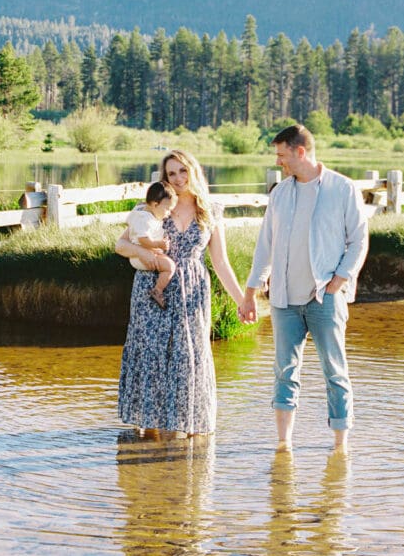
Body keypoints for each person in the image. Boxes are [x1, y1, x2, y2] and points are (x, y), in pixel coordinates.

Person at [242, 124, 368, 453]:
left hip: (324, 297)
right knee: (284, 372)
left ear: (301, 152)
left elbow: (359, 240)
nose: (279, 162)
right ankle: (283, 447)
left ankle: (340, 447)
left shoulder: (342, 188)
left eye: (282, 155)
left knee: (334, 371)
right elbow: (264, 245)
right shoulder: (280, 193)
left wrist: (338, 281)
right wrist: (250, 292)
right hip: (284, 300)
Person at [116, 149, 246, 438]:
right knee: (151, 356)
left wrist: (242, 302)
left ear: (194, 171)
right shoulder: (153, 207)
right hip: (153, 290)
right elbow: (121, 246)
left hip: (193, 291)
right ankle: (150, 432)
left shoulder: (210, 210)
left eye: (183, 171)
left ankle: (188, 425)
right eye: (171, 173)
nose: (178, 178)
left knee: (190, 357)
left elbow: (221, 262)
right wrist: (148, 255)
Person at [125, 180, 177, 307]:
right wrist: (158, 244)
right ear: (155, 204)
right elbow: (143, 239)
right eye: (167, 209)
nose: (169, 213)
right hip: (139, 257)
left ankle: (157, 289)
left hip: (143, 253)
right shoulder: (145, 219)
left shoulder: (142, 211)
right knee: (170, 267)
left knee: (168, 263)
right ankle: (157, 290)